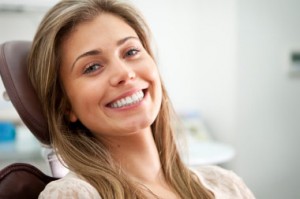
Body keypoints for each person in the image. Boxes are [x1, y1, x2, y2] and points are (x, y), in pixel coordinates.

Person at [28, 0, 255, 198]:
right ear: (65, 105)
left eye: (131, 52)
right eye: (93, 67)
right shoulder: (74, 195)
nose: (125, 73)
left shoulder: (226, 184)